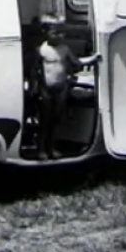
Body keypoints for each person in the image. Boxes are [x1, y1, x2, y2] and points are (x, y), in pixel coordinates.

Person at [36, 23, 81, 160]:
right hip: (45, 89)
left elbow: (76, 63)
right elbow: (33, 69)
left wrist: (94, 58)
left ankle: (52, 148)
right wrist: (35, 87)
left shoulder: (65, 49)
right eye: (54, 33)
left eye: (60, 33)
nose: (58, 36)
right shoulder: (41, 49)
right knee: (45, 120)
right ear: (47, 34)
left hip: (61, 88)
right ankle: (41, 149)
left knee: (56, 119)